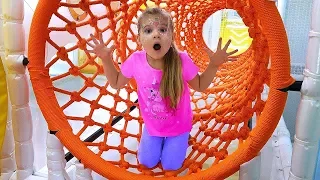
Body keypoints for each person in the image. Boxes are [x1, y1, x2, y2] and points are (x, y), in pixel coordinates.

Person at [87, 7, 238, 171]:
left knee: (170, 166)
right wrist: (106, 59)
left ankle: (183, 137)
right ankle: (163, 140)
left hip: (179, 126)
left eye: (163, 29)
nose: (156, 34)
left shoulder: (181, 60)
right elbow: (116, 83)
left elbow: (200, 85)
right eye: (148, 30)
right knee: (146, 162)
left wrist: (214, 65)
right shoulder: (135, 61)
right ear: (140, 39)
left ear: (171, 36)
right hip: (153, 126)